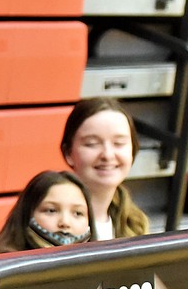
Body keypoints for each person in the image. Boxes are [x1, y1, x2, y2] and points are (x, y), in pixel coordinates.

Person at [60, 97, 150, 239]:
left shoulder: (135, 223)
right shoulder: (50, 222)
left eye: (119, 143)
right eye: (92, 143)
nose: (107, 155)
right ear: (68, 153)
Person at [0, 170, 96, 253]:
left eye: (78, 213)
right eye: (51, 211)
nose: (65, 222)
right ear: (27, 214)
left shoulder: (103, 271)